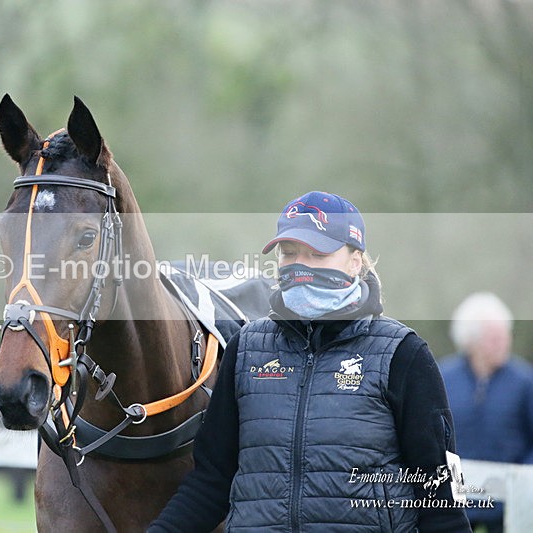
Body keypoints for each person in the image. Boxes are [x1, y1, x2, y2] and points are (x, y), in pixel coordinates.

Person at [148, 191, 471, 532]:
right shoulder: (246, 349)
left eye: (318, 253)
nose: (301, 265)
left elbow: (442, 502)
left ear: (355, 260)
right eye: (290, 253)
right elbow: (210, 484)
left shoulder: (403, 354)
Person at [439, 293, 533, 533]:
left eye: (505, 335)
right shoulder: (443, 377)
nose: (503, 343)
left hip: (510, 505)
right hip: (456, 502)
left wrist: (524, 480)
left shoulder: (524, 381)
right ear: (471, 341)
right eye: (493, 338)